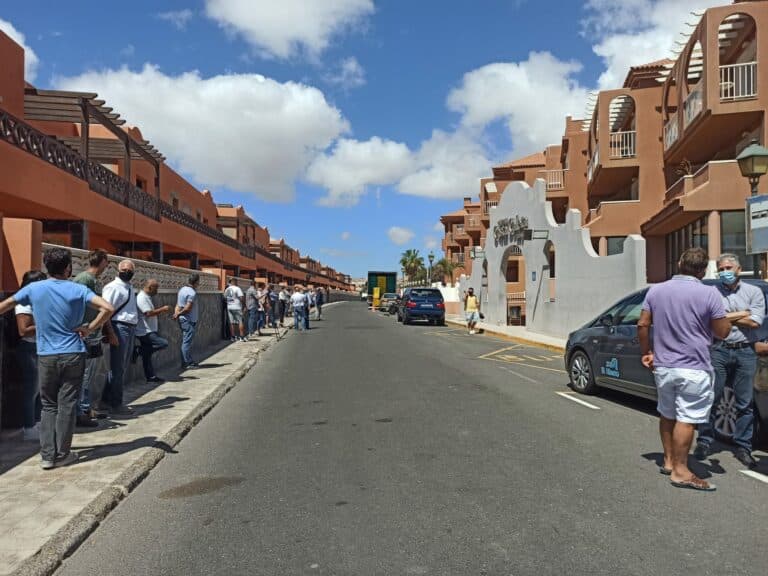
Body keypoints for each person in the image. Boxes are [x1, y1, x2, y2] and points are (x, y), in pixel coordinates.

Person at [0, 247, 113, 469]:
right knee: (68, 404)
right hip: (73, 353)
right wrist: (90, 328)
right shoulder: (77, 289)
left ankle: (47, 456)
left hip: (46, 355)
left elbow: (5, 306)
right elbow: (107, 308)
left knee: (48, 405)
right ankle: (63, 454)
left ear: (47, 267)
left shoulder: (34, 288)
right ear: (68, 267)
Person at [637, 247, 730, 491]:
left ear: (679, 263)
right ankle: (680, 470)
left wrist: (647, 352)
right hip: (694, 367)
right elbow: (722, 332)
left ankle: (668, 461)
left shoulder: (656, 290)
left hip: (664, 366)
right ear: (702, 270)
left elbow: (643, 324)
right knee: (687, 419)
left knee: (667, 413)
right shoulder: (709, 294)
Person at [694, 254, 765, 469]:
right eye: (721, 268)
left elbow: (755, 322)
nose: (724, 271)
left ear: (738, 269)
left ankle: (743, 446)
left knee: (745, 403)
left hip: (745, 351)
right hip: (719, 349)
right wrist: (740, 314)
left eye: (728, 267)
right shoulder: (711, 292)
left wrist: (725, 316)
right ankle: (704, 441)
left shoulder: (754, 292)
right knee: (712, 397)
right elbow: (707, 320)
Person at [73, 248, 114, 424]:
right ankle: (81, 412)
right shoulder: (84, 279)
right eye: (107, 261)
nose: (108, 265)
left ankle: (87, 408)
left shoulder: (95, 281)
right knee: (83, 375)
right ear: (102, 260)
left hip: (94, 333)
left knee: (89, 375)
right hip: (86, 334)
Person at [100, 260, 138, 415]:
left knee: (120, 367)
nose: (127, 271)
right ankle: (116, 403)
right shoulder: (112, 287)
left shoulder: (129, 287)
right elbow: (106, 310)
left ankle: (106, 400)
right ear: (118, 270)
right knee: (117, 367)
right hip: (119, 327)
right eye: (124, 269)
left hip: (129, 327)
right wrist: (111, 333)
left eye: (129, 269)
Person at [14, 270, 46, 440]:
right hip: (29, 349)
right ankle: (29, 426)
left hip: (40, 348)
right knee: (32, 389)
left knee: (40, 389)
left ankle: (38, 421)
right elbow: (23, 330)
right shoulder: (24, 303)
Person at [136, 279, 170, 383]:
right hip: (145, 331)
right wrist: (163, 309)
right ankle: (138, 351)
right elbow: (148, 313)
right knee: (163, 343)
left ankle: (150, 377)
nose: (157, 291)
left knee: (147, 355)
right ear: (149, 287)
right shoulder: (142, 297)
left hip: (149, 329)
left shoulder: (147, 297)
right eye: (156, 288)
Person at [173, 273, 200, 369]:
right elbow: (188, 308)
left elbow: (178, 304)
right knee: (186, 342)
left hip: (183, 319)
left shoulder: (182, 290)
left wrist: (176, 313)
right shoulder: (192, 293)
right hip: (188, 320)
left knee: (186, 340)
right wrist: (178, 313)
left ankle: (187, 361)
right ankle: (186, 362)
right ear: (196, 282)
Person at [224, 278, 246, 342]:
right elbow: (241, 297)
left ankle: (233, 337)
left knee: (231, 323)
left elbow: (225, 298)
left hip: (229, 307)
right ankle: (241, 337)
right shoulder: (237, 288)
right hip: (237, 307)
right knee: (240, 321)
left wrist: (230, 302)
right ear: (235, 282)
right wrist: (244, 305)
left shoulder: (227, 289)